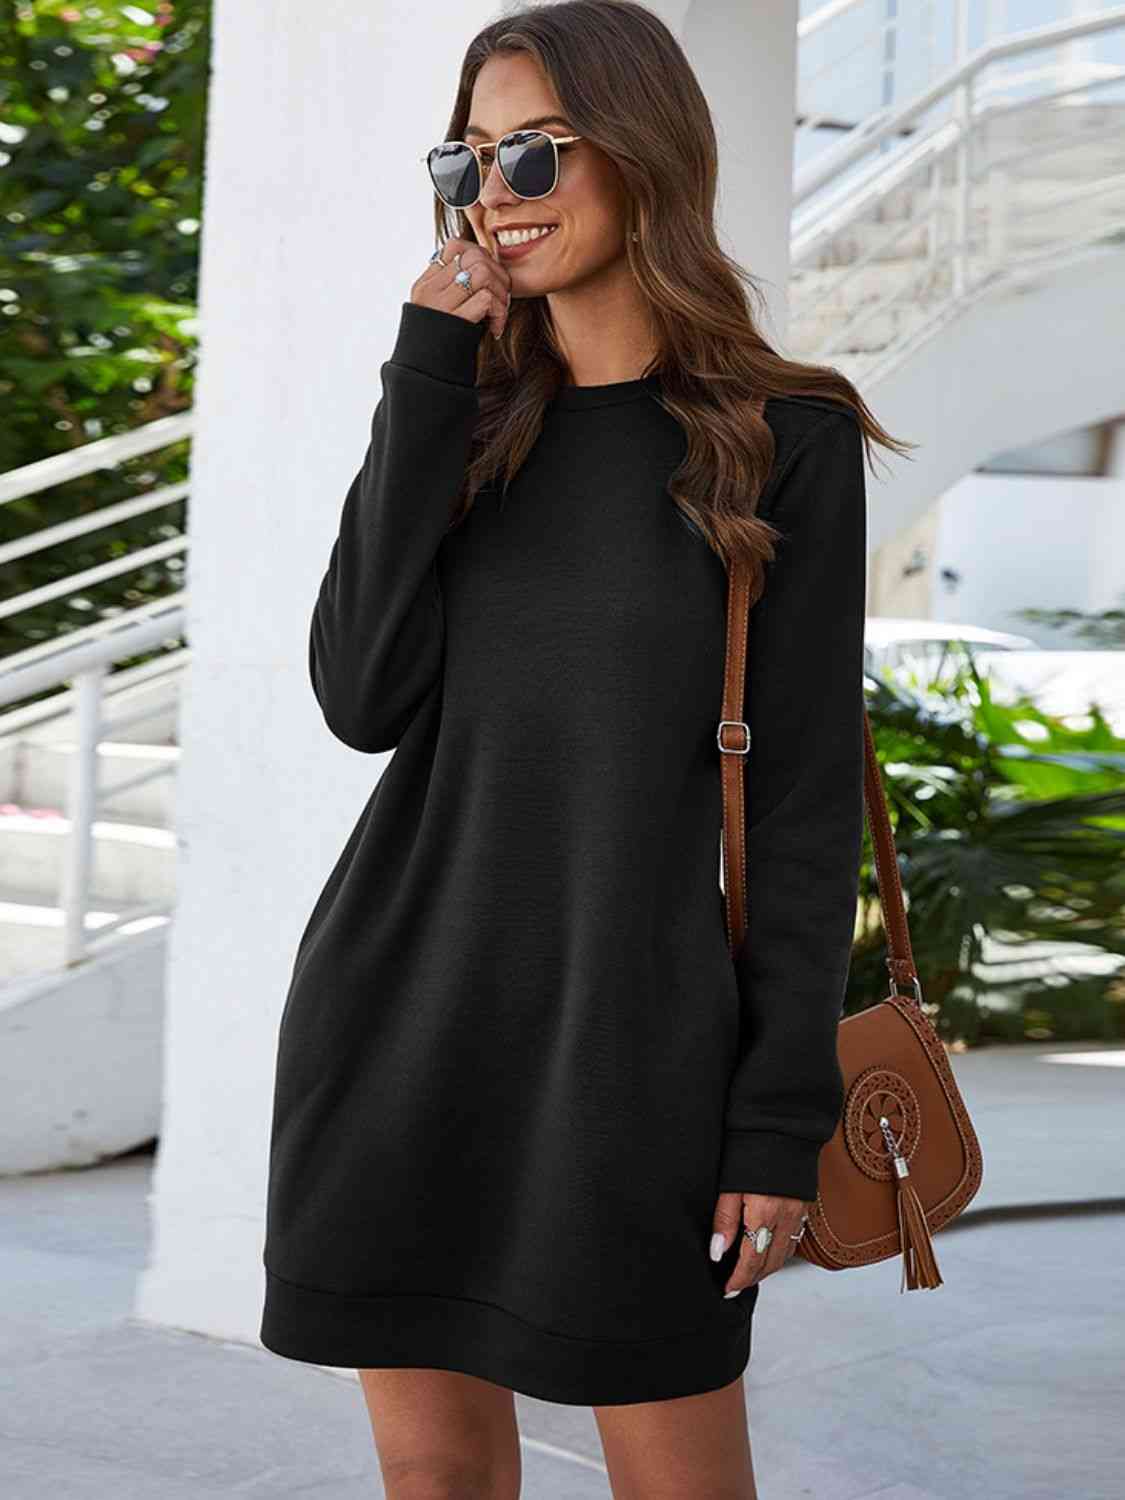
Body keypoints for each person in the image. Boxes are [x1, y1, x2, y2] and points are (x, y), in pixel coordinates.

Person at [260, 2, 910, 1495]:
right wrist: (428, 369)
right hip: (399, 1019)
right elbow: (357, 696)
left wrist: (774, 1121)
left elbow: (801, 805)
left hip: (634, 1054)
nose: (496, 191)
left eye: (537, 152)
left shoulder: (781, 439)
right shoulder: (465, 420)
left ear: (641, 151)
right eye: (469, 158)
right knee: (437, 1482)